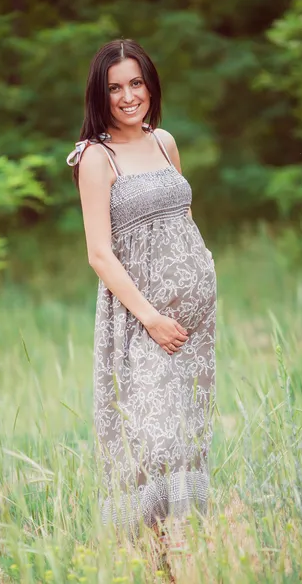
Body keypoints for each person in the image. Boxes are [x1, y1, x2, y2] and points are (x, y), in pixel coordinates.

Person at [67, 39, 216, 546]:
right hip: (140, 322)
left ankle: (184, 557)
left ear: (151, 85)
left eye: (136, 83)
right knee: (153, 441)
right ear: (99, 95)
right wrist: (152, 316)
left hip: (192, 324)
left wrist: (200, 276)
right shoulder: (95, 157)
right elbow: (99, 253)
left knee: (186, 437)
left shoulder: (164, 141)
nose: (128, 96)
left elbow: (183, 220)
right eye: (115, 88)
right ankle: (152, 563)